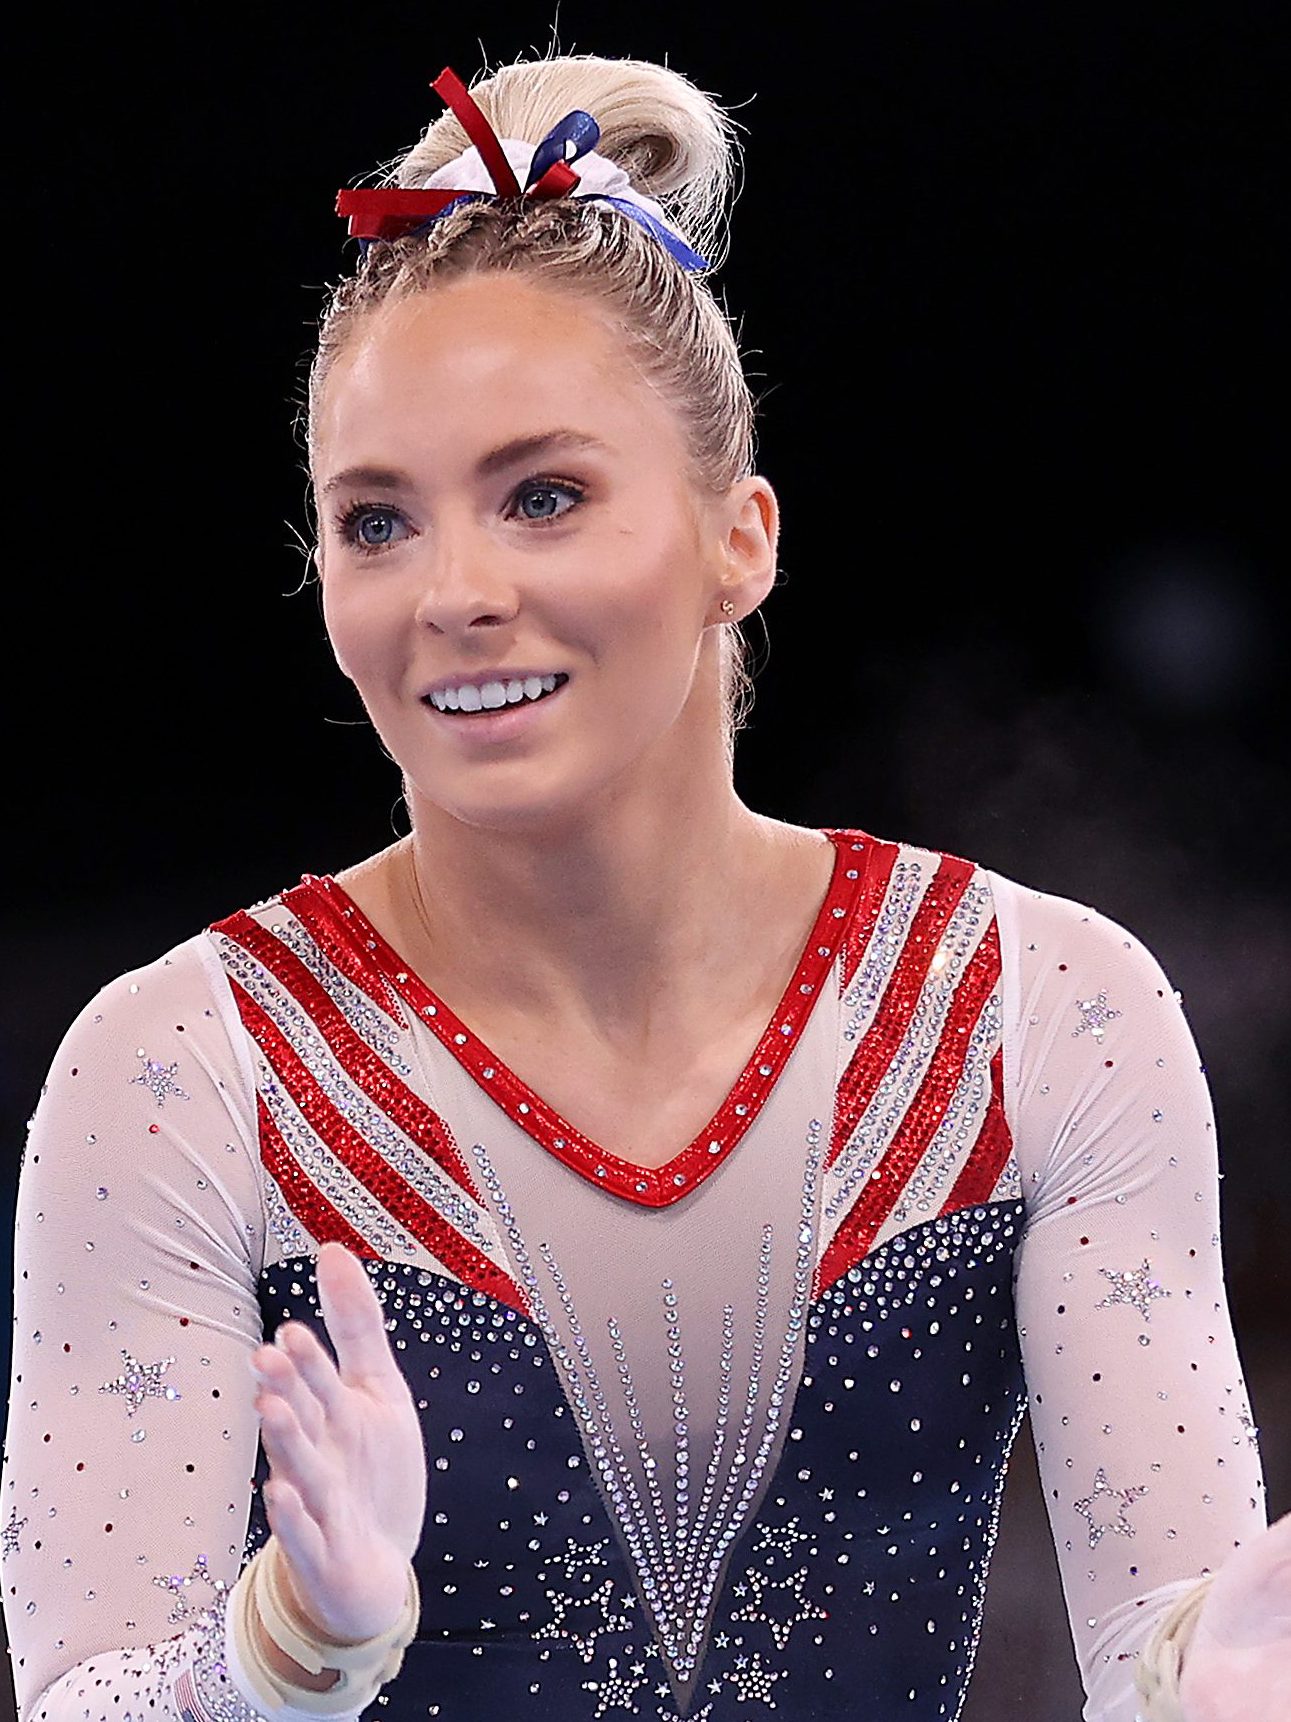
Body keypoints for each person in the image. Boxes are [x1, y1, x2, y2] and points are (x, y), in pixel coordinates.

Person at [2, 50, 1285, 1722]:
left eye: (543, 497)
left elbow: (1173, 1653)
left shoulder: (1038, 1014)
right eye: (376, 521)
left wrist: (1224, 1688)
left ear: (736, 537)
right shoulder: (183, 1071)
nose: (454, 592)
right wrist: (289, 1649)